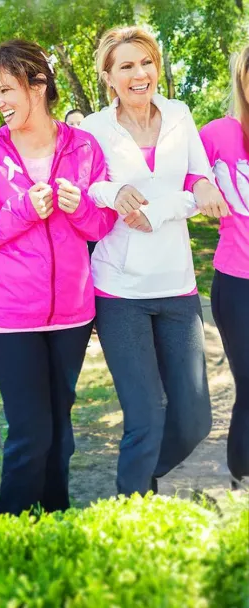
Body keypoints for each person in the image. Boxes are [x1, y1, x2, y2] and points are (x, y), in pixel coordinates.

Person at [0, 39, 116, 516]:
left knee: (61, 436)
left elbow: (101, 225)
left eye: (7, 90)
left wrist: (80, 206)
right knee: (30, 434)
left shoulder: (84, 147)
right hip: (10, 318)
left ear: (38, 83)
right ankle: (11, 538)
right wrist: (20, 212)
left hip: (72, 315)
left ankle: (54, 528)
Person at [79, 25, 227, 497]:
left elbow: (200, 181)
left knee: (195, 419)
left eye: (146, 62)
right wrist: (115, 191)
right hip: (120, 291)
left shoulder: (181, 114)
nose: (139, 73)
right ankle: (133, 505)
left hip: (178, 286)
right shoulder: (94, 128)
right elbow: (88, 190)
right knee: (144, 419)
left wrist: (175, 202)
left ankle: (145, 475)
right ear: (109, 76)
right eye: (126, 66)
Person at [198, 41, 249, 490]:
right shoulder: (217, 134)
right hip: (238, 283)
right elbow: (184, 173)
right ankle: (243, 474)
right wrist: (201, 190)